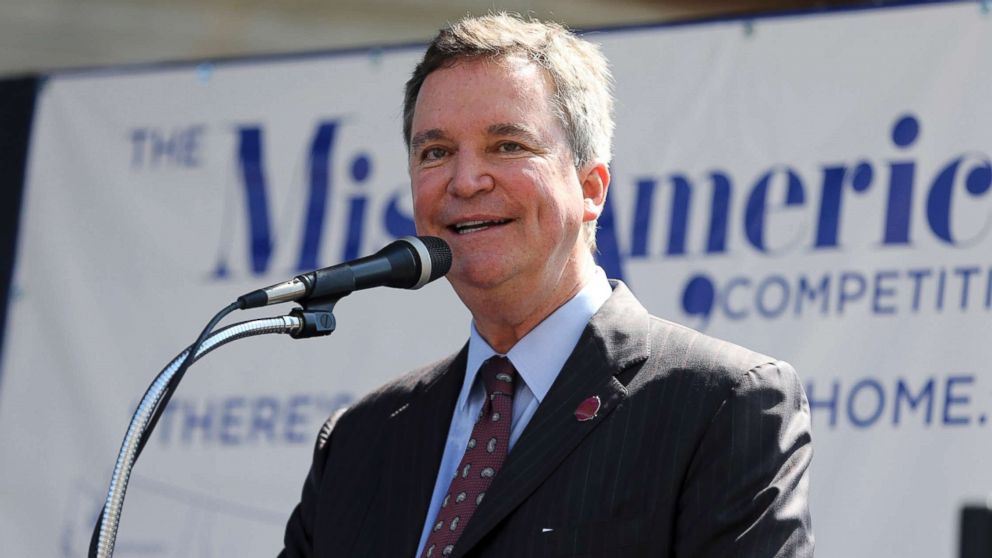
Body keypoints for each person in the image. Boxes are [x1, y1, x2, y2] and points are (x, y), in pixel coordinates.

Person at [280, 12, 813, 558]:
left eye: (507, 145)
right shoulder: (358, 440)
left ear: (591, 188)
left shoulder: (722, 404)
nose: (465, 181)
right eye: (435, 153)